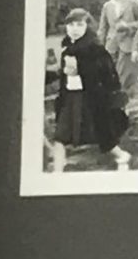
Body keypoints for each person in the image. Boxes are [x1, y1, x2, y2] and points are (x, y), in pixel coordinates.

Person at [49, 8, 129, 153]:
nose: (74, 29)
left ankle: (120, 155)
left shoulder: (96, 50)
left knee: (102, 135)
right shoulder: (67, 49)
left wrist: (79, 69)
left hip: (91, 99)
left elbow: (108, 76)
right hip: (70, 97)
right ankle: (59, 166)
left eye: (80, 25)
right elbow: (63, 75)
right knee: (60, 137)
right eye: (71, 25)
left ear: (88, 27)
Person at [98, 0, 138, 91]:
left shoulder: (133, 2)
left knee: (122, 78)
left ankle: (120, 99)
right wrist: (100, 48)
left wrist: (128, 26)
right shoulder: (107, 6)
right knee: (110, 75)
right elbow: (103, 28)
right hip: (111, 46)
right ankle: (119, 98)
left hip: (128, 45)